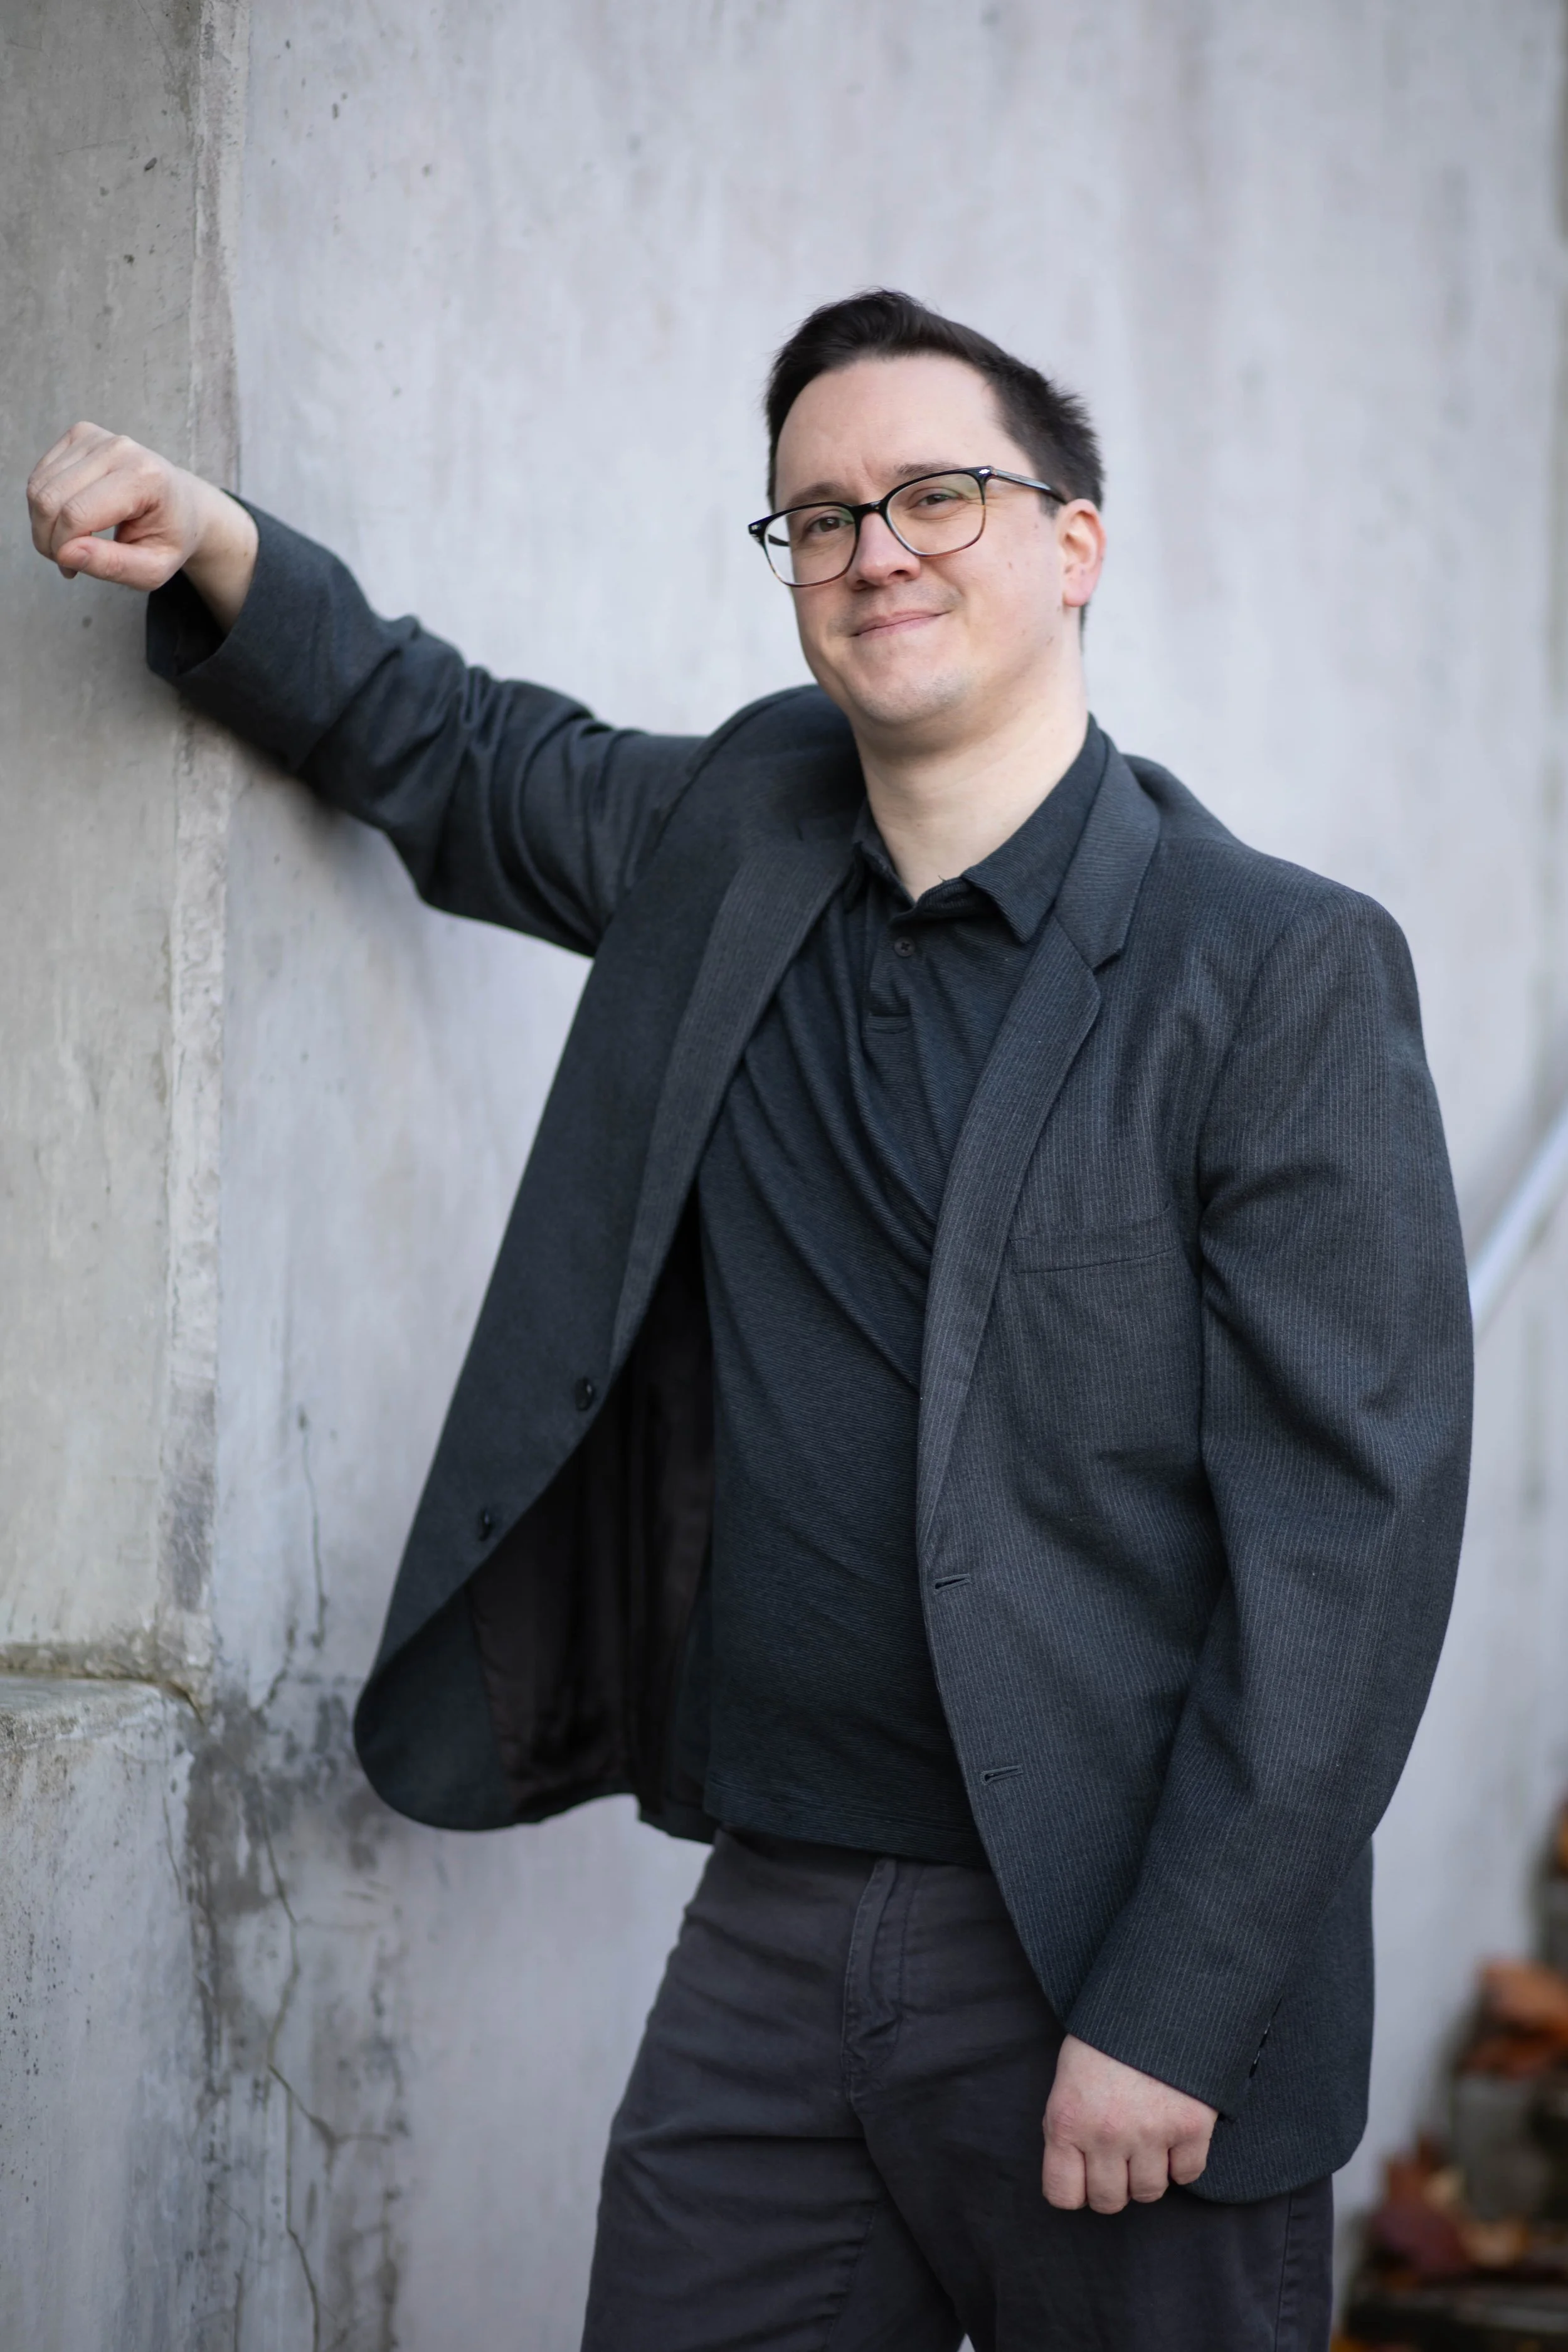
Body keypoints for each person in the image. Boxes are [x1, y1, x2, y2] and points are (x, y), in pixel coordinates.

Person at [28, 289, 1471, 2351]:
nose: (874, 545)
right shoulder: (741, 834)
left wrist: (1177, 2001)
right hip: (772, 1939)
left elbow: (1351, 1545)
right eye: (817, 515)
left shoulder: (1276, 971)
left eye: (936, 495)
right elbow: (460, 751)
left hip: (1116, 1964)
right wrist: (222, 545)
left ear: (1072, 544)